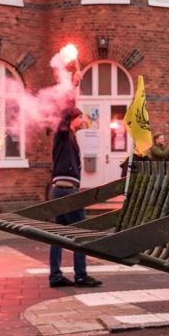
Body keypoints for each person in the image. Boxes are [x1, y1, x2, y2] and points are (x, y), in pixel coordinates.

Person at [48, 107, 102, 288]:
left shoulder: (69, 135)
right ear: (72, 119)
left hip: (60, 190)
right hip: (67, 191)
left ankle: (55, 276)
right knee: (80, 232)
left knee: (57, 235)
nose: (83, 120)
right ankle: (81, 275)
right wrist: (74, 86)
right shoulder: (63, 133)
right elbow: (65, 117)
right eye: (80, 117)